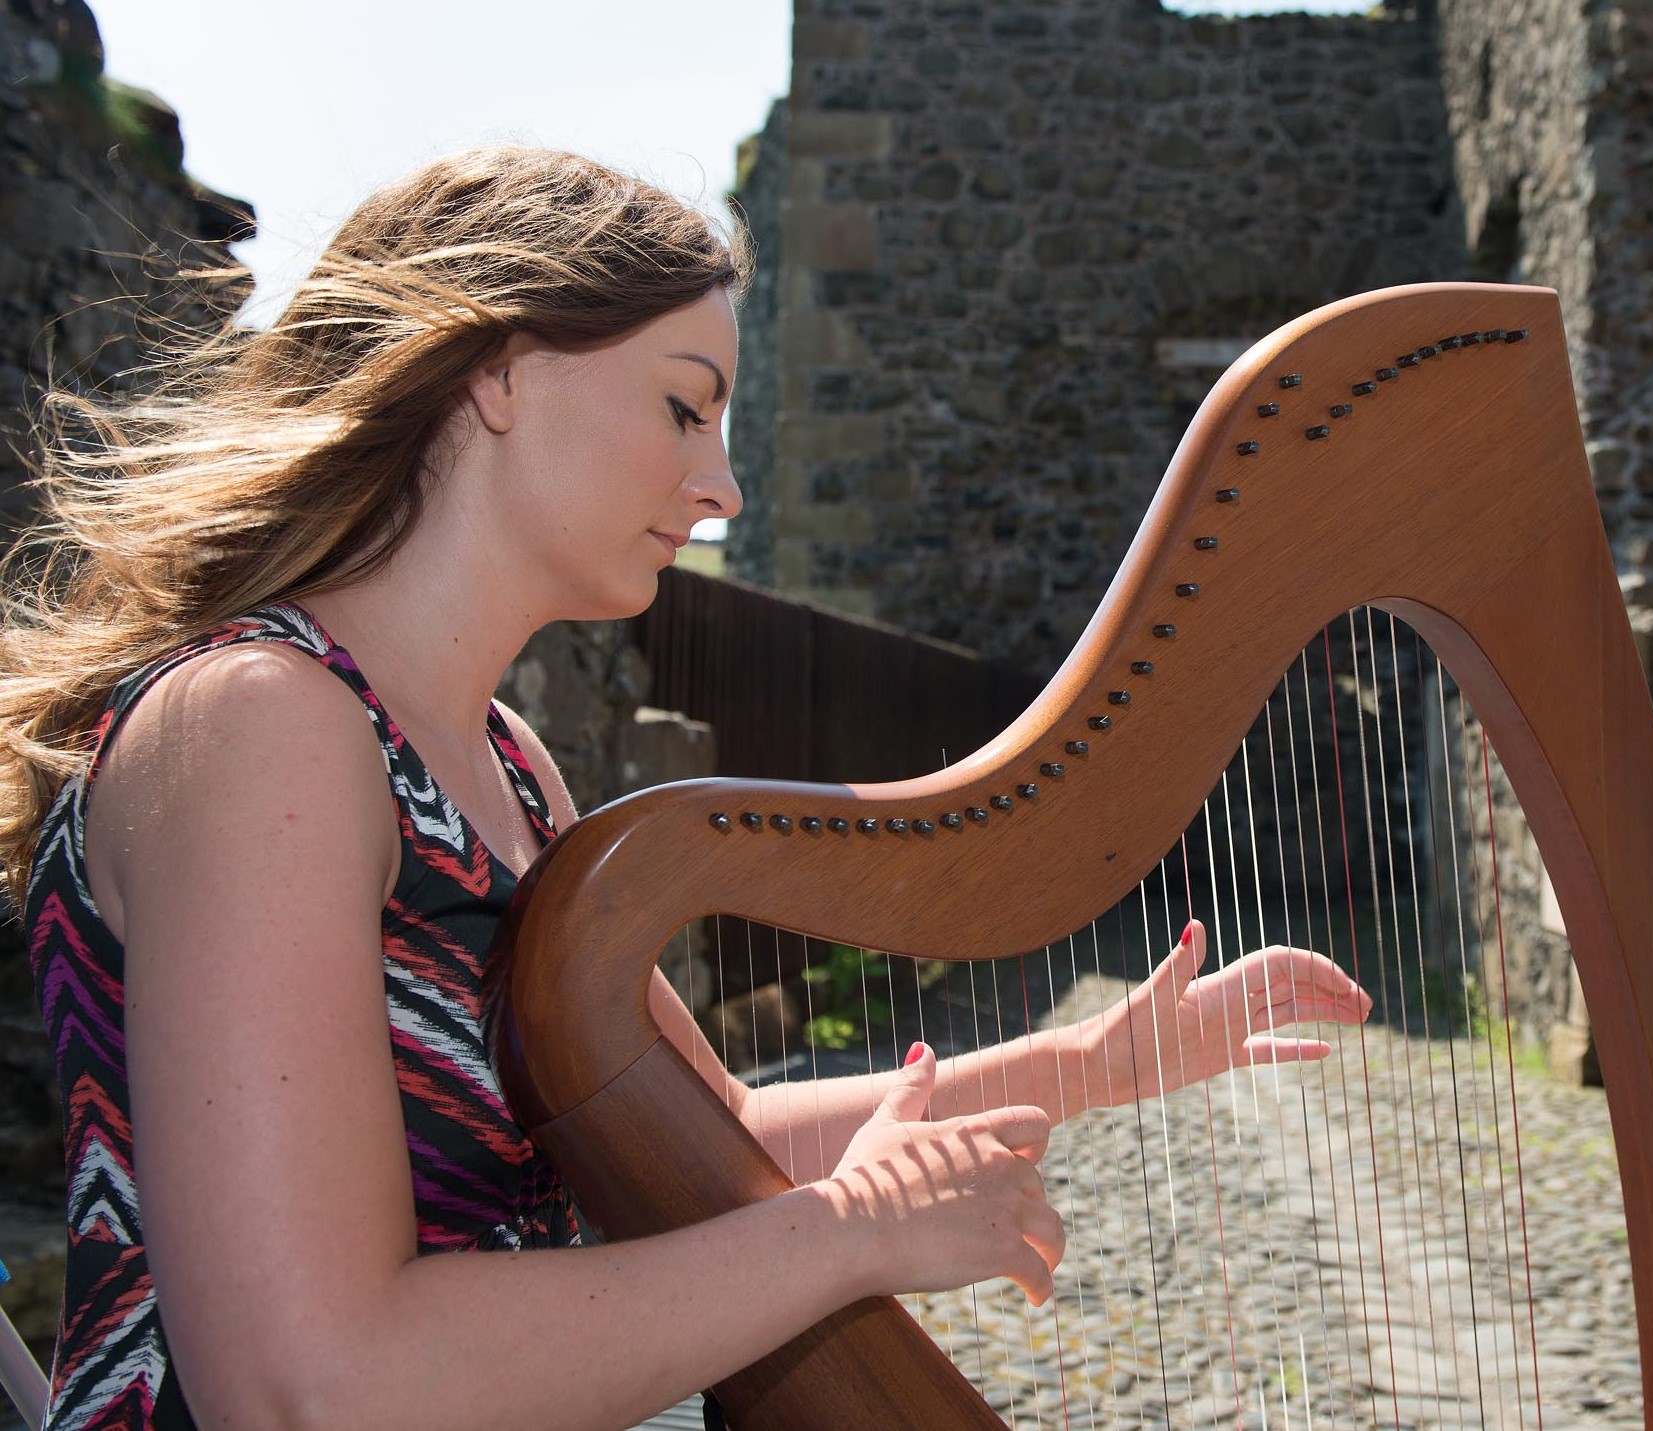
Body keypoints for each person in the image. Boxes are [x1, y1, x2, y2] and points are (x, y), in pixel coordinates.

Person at [0, 145, 1373, 1431]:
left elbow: (687, 1143)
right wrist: (851, 1233)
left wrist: (1089, 1066)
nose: (718, 484)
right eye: (681, 405)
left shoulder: (504, 766)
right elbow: (309, 1382)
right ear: (499, 372)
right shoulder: (257, 725)